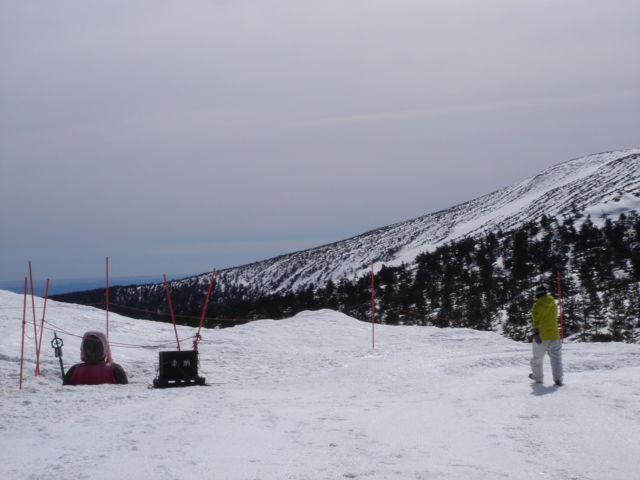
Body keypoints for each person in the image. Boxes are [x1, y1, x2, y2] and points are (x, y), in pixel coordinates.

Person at [63, 331, 128, 385]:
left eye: (96, 347)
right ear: (106, 348)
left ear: (83, 348)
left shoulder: (73, 370)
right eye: (89, 346)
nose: (92, 350)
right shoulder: (115, 370)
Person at [529, 285, 563, 386]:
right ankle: (558, 378)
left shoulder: (537, 305)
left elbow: (535, 321)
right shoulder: (553, 304)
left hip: (541, 335)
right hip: (554, 335)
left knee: (537, 359)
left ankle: (538, 377)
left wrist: (535, 332)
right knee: (556, 358)